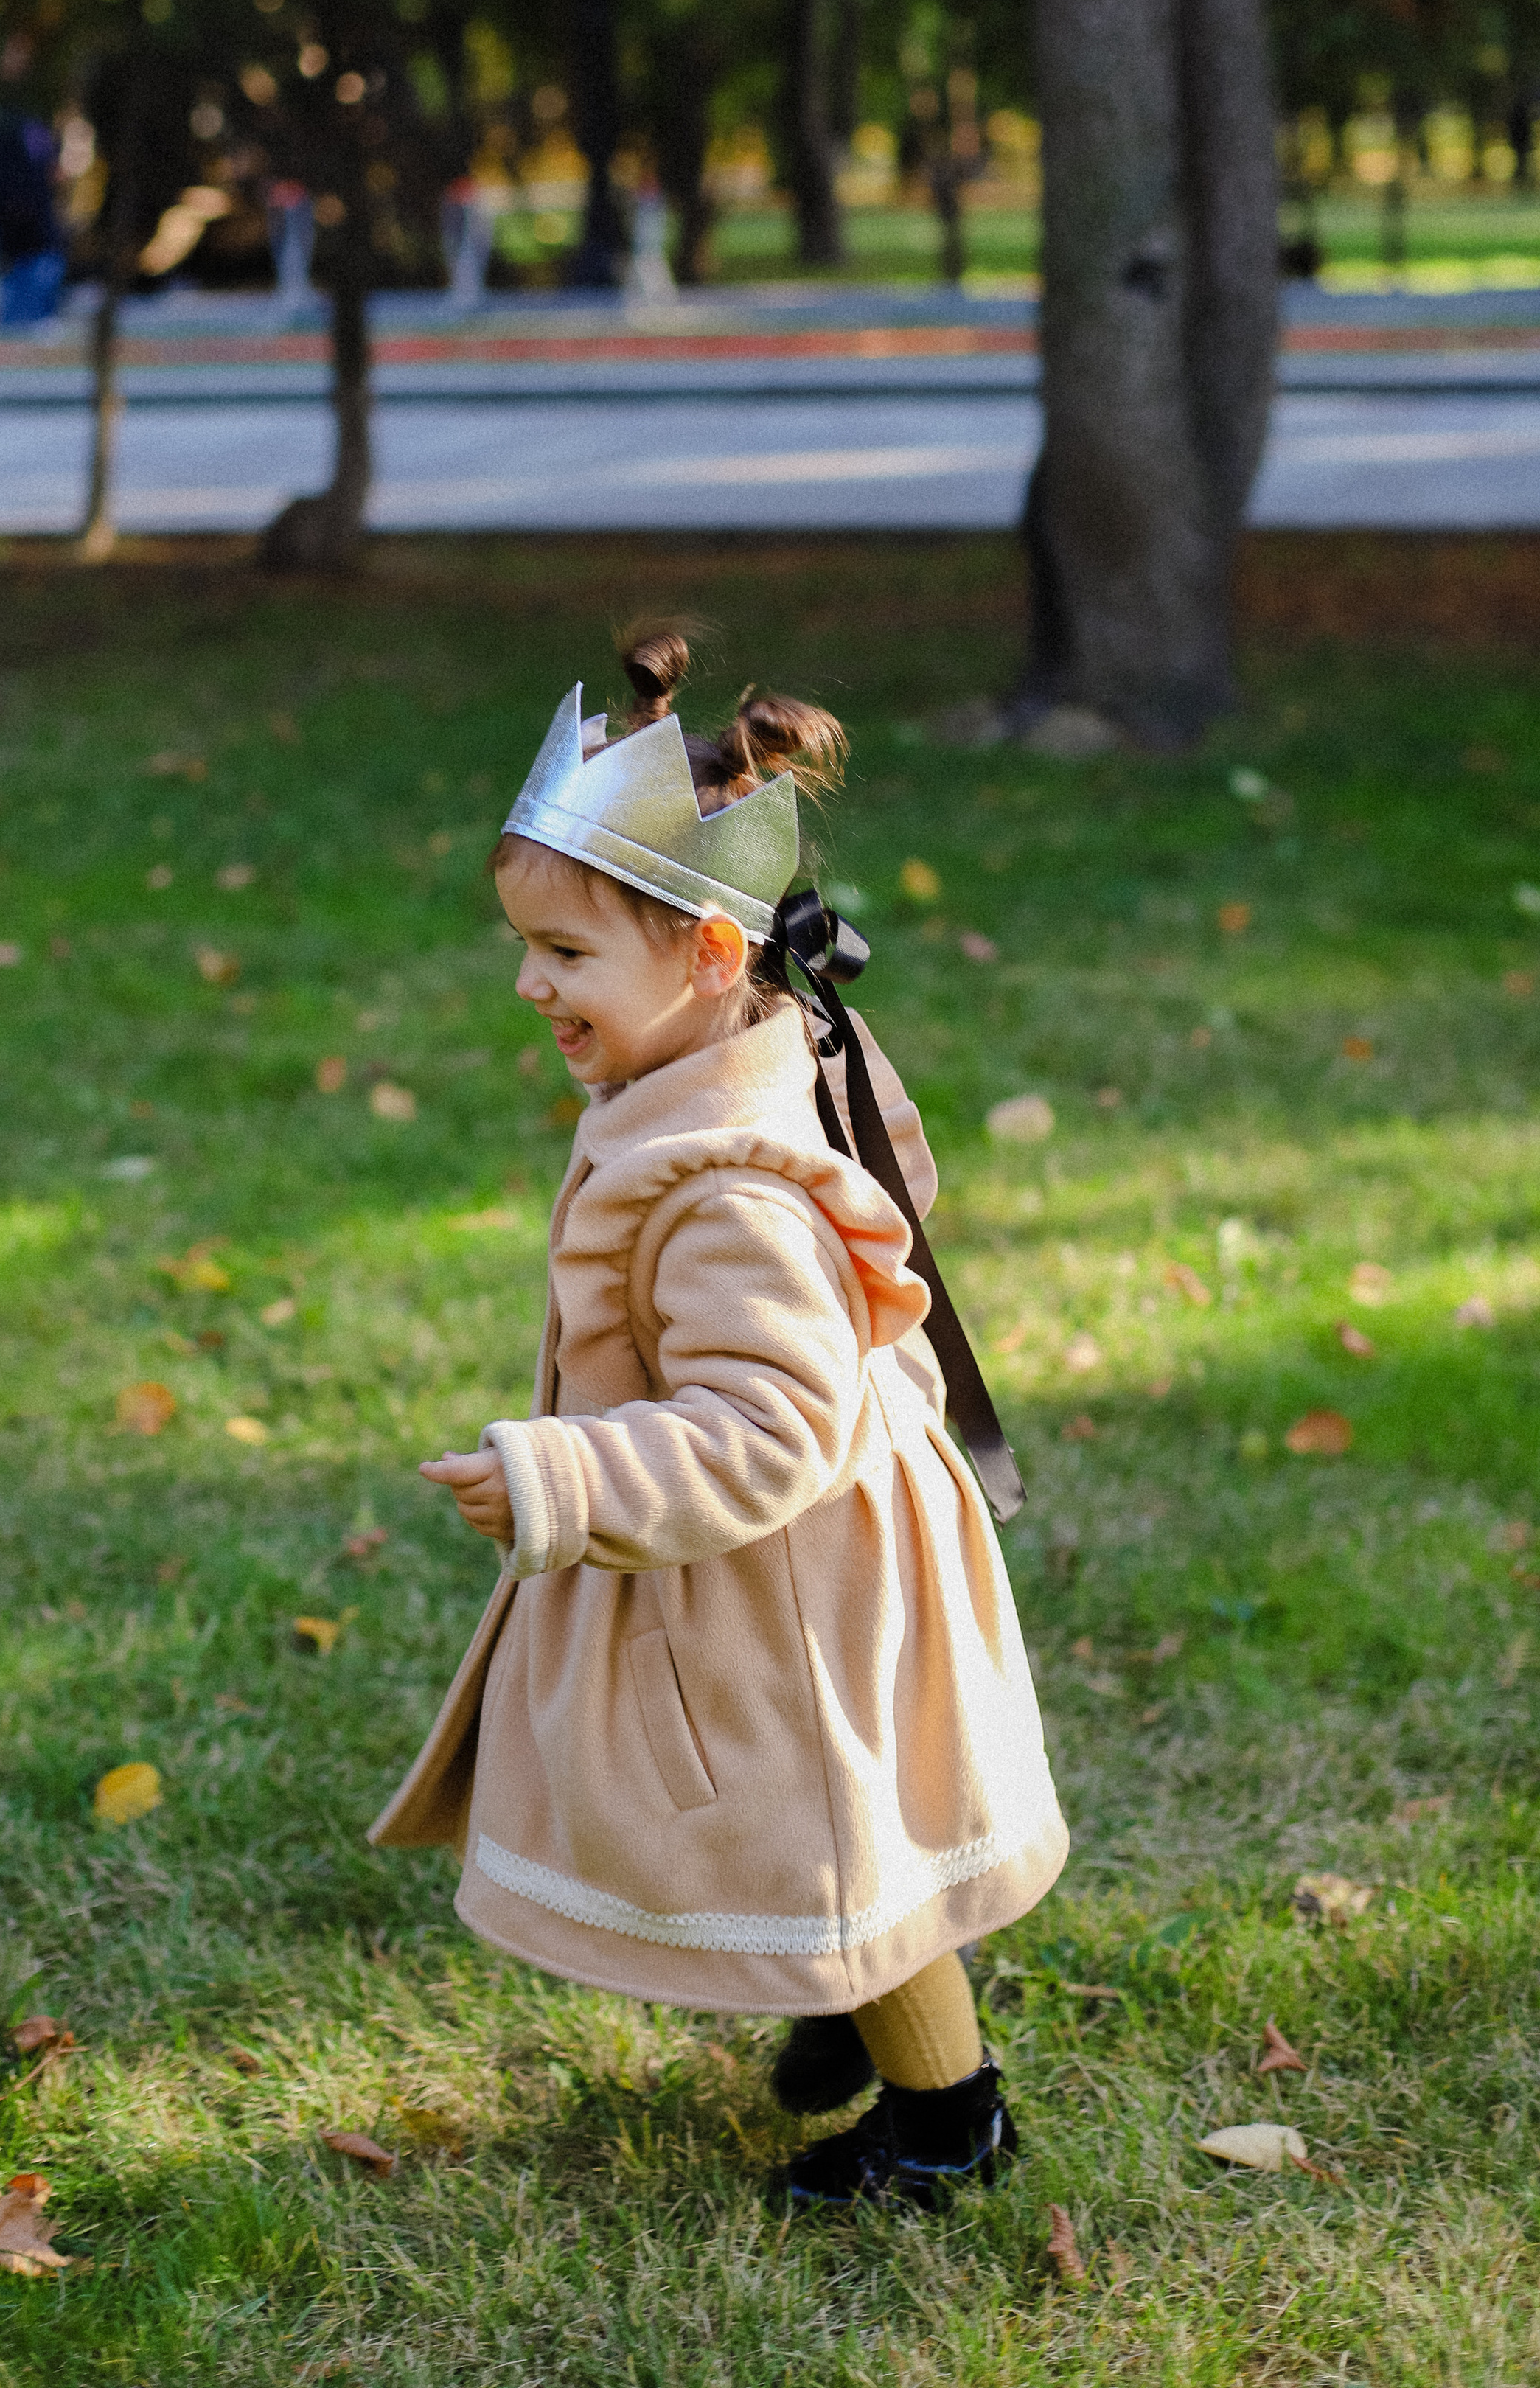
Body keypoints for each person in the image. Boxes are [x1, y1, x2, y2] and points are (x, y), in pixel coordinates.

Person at [371, 633, 1068, 2211]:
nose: (528, 983)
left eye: (561, 952)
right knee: (825, 1819)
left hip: (786, 1577)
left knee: (840, 1840)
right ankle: (841, 1993)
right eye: (525, 945)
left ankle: (943, 2120)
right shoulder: (764, 1042)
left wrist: (560, 1476)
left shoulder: (729, 1189)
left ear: (700, 952)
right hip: (810, 1556)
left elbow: (763, 1434)